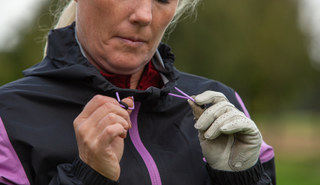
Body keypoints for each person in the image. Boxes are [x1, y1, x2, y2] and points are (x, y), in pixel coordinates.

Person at [0, 0, 276, 184]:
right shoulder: (8, 117)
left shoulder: (221, 102)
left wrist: (240, 177)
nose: (144, 15)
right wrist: (86, 176)